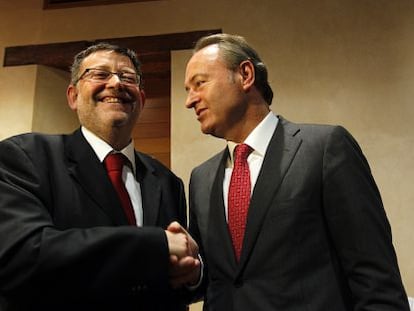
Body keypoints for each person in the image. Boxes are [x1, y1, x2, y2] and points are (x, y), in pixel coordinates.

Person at [183, 33, 410, 310]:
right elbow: (216, 280)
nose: (190, 101)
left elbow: (375, 279)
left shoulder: (325, 149)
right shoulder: (201, 179)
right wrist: (191, 272)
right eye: (188, 90)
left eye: (199, 83)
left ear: (245, 74)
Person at [0, 42, 199, 311]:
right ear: (73, 96)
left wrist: (192, 276)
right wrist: (157, 245)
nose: (116, 83)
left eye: (128, 77)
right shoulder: (25, 157)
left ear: (141, 99)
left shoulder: (167, 182)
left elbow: (176, 278)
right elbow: (23, 256)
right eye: (100, 74)